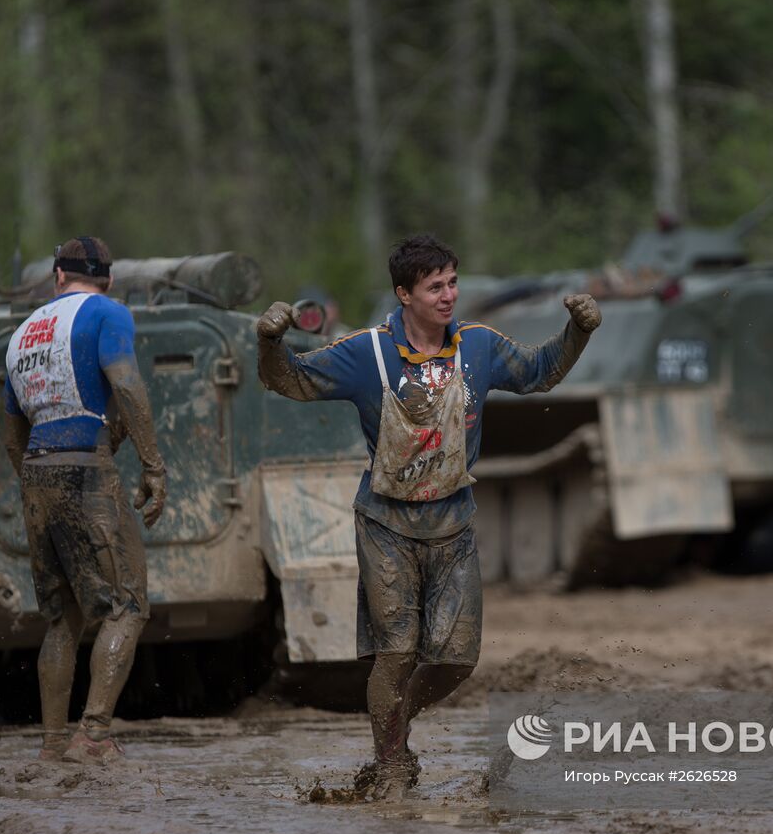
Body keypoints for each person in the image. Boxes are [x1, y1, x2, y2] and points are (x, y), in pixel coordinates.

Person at [257, 234, 600, 799]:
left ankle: (394, 721)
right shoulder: (367, 353)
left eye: (452, 283)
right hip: (386, 526)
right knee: (396, 651)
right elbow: (287, 379)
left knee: (458, 660)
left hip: (454, 525)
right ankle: (391, 762)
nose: (448, 296)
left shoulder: (479, 347)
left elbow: (541, 372)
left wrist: (578, 333)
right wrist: (269, 342)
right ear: (404, 294)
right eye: (434, 287)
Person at [2, 236, 168, 764]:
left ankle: (53, 743)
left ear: (56, 277)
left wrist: (37, 482)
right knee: (129, 604)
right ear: (109, 279)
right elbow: (127, 385)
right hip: (87, 470)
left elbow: (11, 437)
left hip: (36, 472)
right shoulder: (107, 312)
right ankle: (93, 734)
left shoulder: (22, 333)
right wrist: (152, 466)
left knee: (63, 616)